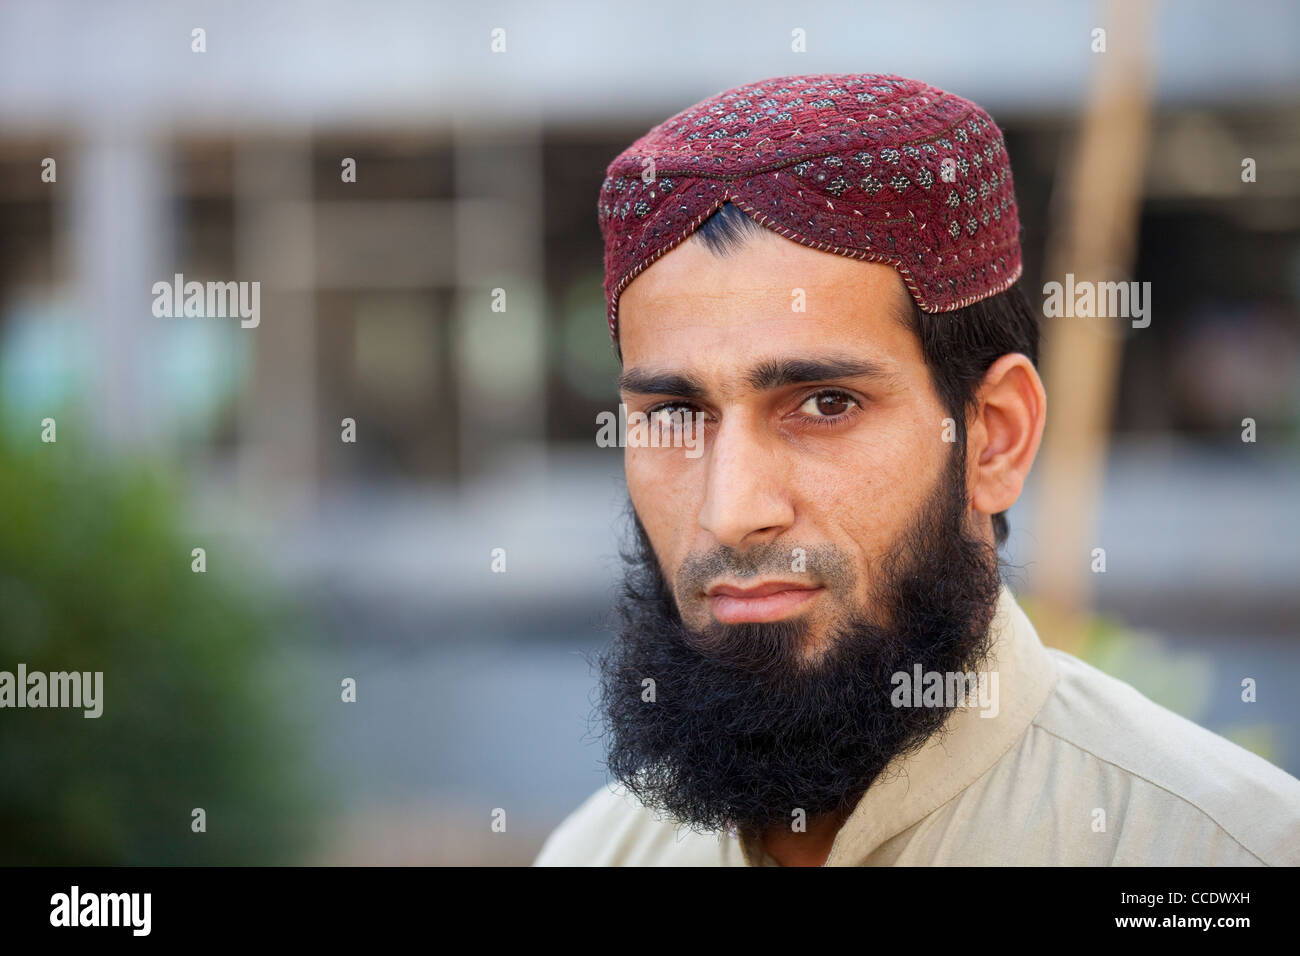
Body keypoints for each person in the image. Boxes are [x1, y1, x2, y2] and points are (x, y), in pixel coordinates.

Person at [534, 73, 1300, 866]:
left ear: (995, 437)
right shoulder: (598, 853)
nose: (731, 512)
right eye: (676, 416)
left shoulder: (1220, 855)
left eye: (825, 404)